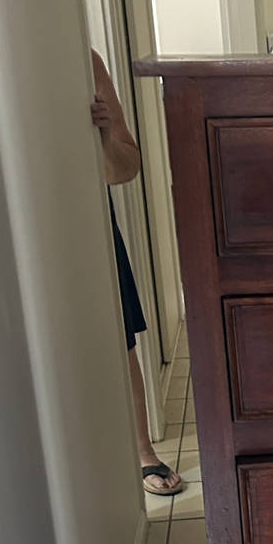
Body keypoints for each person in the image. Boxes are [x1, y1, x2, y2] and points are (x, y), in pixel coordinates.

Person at [90, 49, 183, 495]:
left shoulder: (85, 61)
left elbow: (127, 168)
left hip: (89, 217)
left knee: (120, 336)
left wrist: (106, 138)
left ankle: (143, 451)